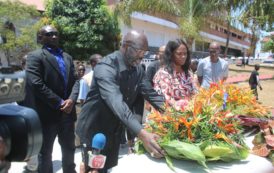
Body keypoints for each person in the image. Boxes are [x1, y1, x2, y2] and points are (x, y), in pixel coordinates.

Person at [76, 30, 165, 173]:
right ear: (126, 46)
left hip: (113, 130)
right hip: (94, 130)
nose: (143, 55)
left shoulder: (138, 69)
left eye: (145, 51)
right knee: (93, 169)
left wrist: (173, 112)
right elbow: (116, 102)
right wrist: (142, 134)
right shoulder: (106, 67)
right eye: (140, 51)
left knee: (105, 168)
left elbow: (150, 93)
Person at [26, 25, 79, 173]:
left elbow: (75, 81)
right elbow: (36, 84)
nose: (54, 37)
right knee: (46, 153)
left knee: (69, 148)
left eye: (56, 34)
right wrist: (60, 102)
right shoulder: (35, 56)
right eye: (49, 34)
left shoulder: (67, 57)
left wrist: (71, 100)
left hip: (68, 114)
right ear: (41, 38)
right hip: (47, 114)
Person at [153, 39, 195, 110]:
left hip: (189, 115)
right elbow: (165, 98)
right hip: (170, 116)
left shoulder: (188, 73)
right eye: (179, 54)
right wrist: (181, 106)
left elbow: (194, 93)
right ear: (171, 54)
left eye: (185, 53)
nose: (183, 56)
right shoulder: (163, 74)